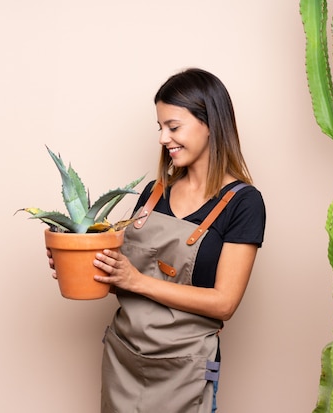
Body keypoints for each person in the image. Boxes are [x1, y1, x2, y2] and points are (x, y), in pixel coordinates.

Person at [49, 68, 266, 413]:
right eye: (160, 127)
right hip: (124, 358)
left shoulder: (244, 203)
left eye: (173, 127)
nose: (163, 138)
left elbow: (224, 303)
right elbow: (126, 278)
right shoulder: (154, 194)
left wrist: (136, 280)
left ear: (210, 123)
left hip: (184, 368)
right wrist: (83, 266)